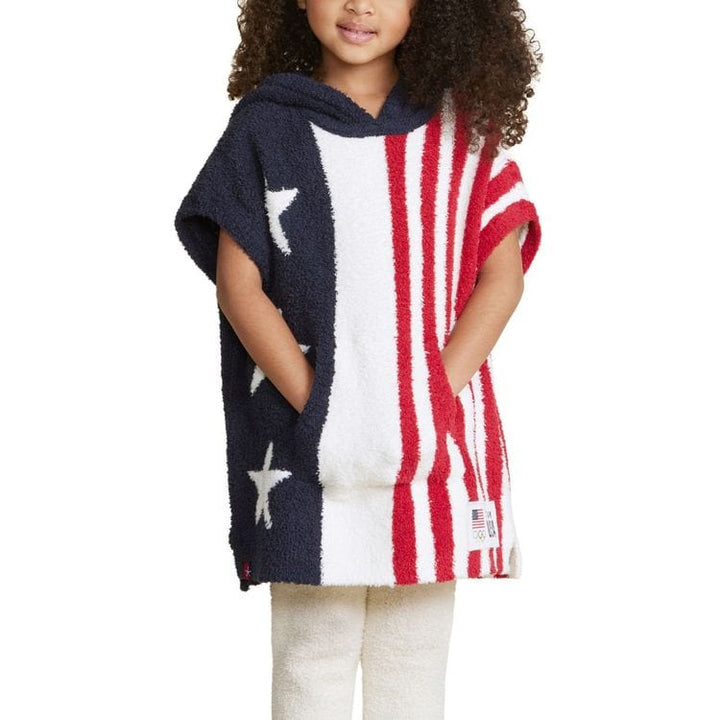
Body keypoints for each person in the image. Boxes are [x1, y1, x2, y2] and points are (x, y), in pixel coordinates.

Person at [174, 0, 543, 717]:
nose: (360, 5)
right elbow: (238, 284)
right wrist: (319, 402)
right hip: (301, 445)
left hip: (432, 448)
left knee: (414, 659)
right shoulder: (265, 127)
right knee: (311, 655)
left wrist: (429, 396)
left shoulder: (463, 129)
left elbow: (502, 276)